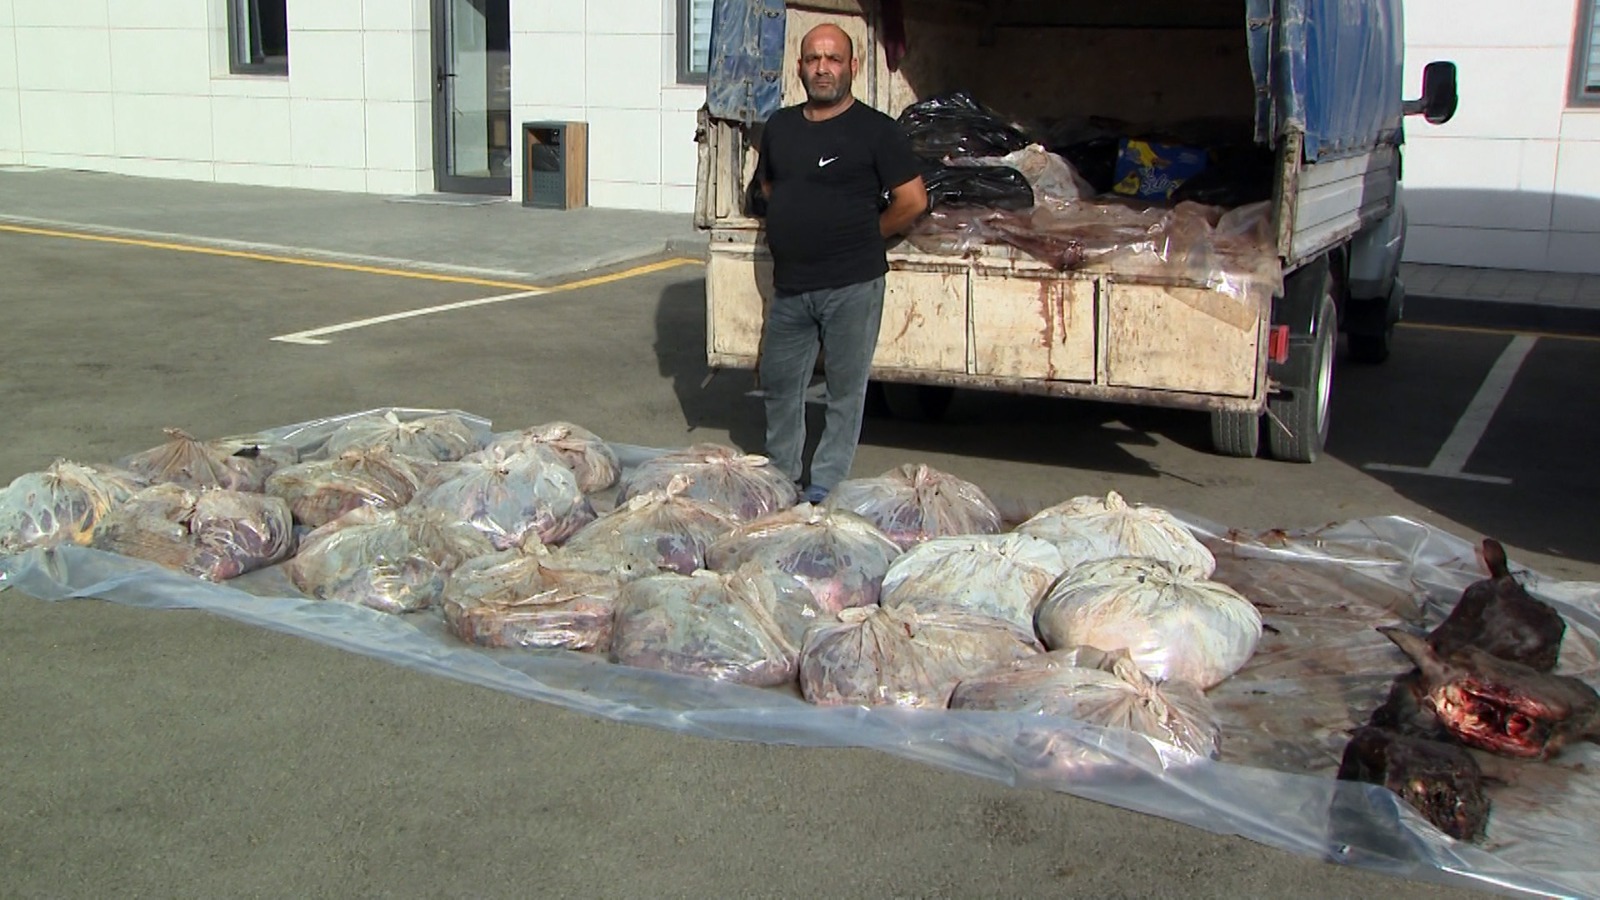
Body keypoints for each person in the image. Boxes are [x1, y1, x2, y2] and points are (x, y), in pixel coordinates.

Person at [754, 23, 928, 505]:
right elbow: (769, 186)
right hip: (791, 288)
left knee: (844, 394)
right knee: (780, 387)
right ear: (799, 67)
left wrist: (865, 234)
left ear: (853, 66)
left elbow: (913, 200)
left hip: (852, 285)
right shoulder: (780, 127)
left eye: (833, 59)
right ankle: (781, 478)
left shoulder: (877, 130)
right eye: (813, 59)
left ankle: (824, 487)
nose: (822, 68)